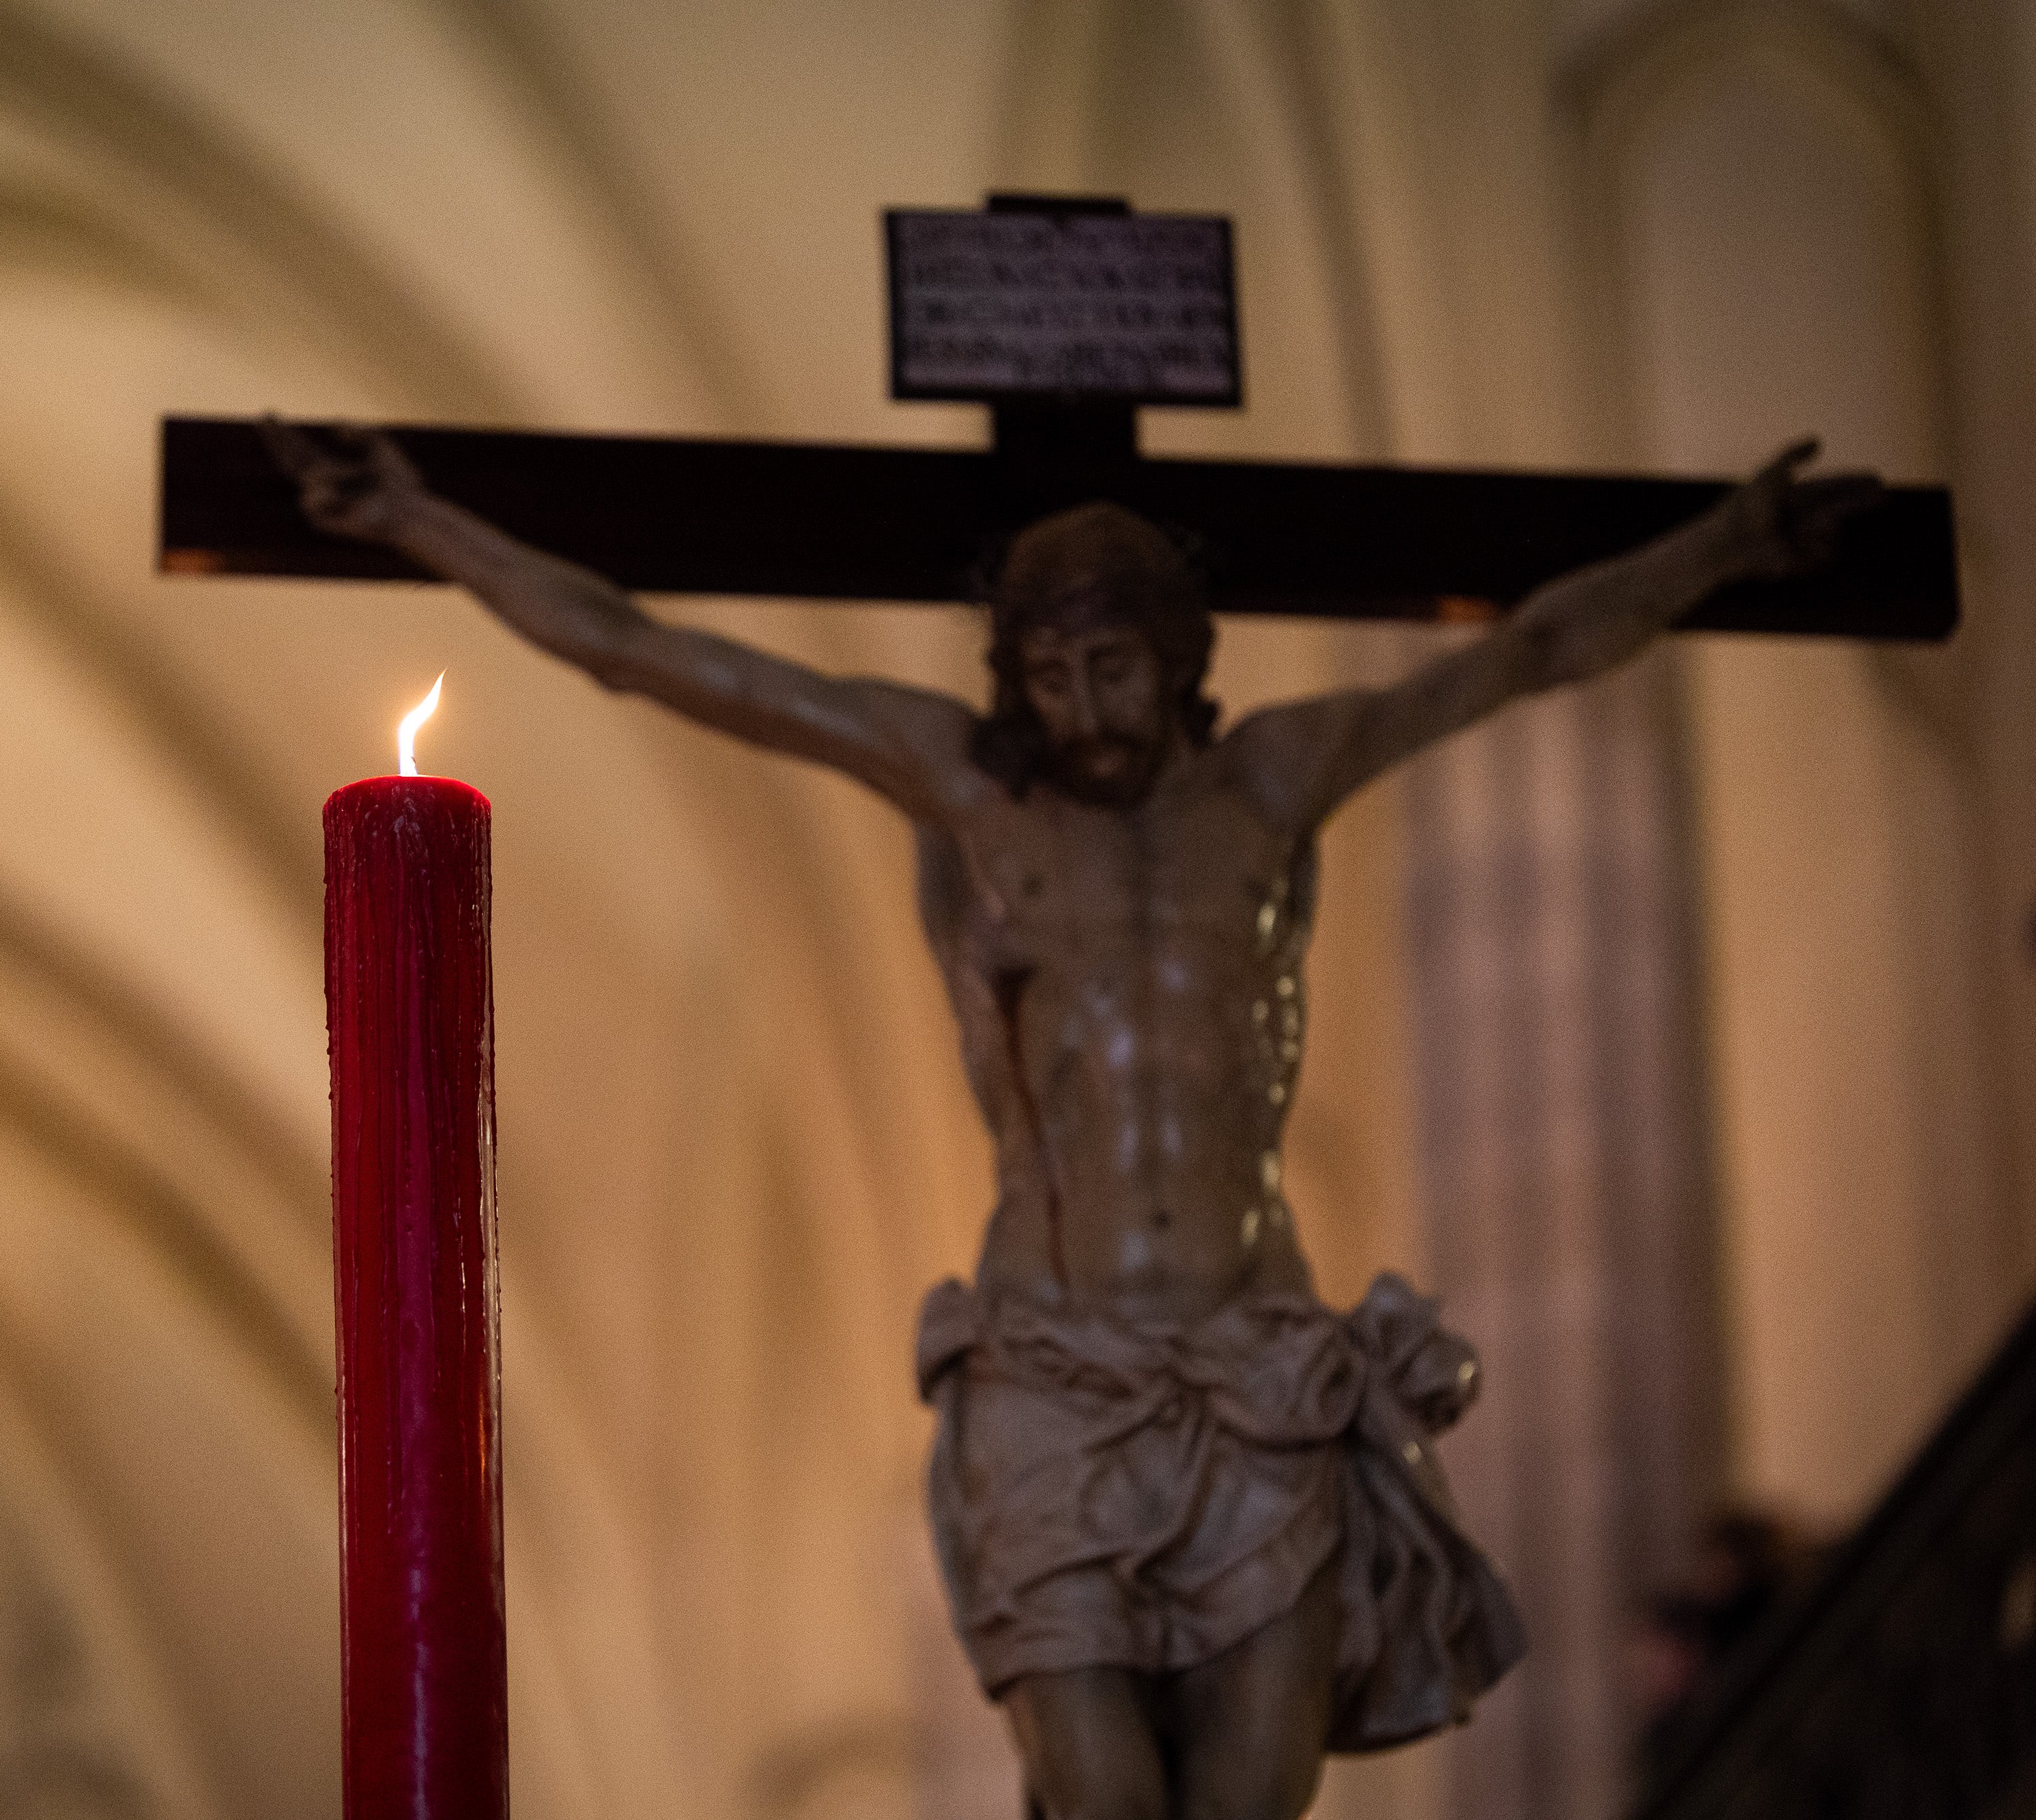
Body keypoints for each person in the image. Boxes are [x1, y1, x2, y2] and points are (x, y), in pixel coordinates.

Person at [265, 421, 1875, 1820]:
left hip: (1254, 1363)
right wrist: (417, 519)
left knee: (1255, 1800)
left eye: (1110, 666)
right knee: (1100, 1796)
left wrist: (1726, 543)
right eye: (1044, 669)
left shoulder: (1268, 783)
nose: (1080, 702)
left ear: (1181, 656)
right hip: (1053, 1364)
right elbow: (647, 649)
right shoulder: (972, 790)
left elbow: (1518, 652)